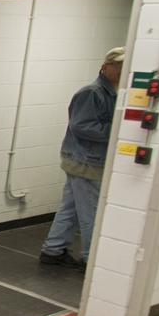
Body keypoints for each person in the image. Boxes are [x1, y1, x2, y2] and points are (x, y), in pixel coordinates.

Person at [40, 47, 124, 269]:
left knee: (72, 208)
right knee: (90, 213)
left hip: (85, 161)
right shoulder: (93, 93)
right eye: (118, 66)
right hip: (85, 162)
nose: (122, 71)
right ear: (105, 67)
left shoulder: (114, 93)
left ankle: (53, 249)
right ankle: (90, 258)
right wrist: (117, 130)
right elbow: (82, 126)